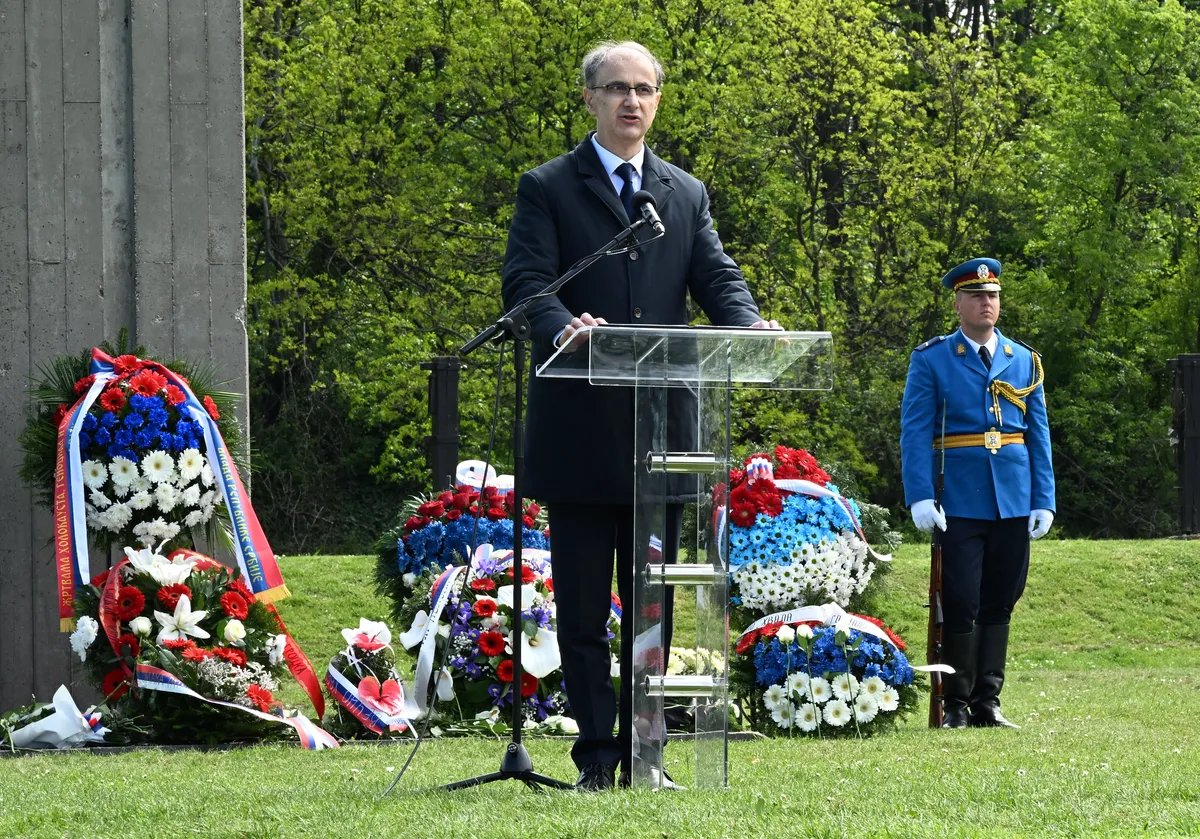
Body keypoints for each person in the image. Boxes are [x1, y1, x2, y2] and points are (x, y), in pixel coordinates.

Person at [501, 40, 779, 790]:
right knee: (587, 615)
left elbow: (716, 275)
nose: (632, 101)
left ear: (658, 100)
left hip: (665, 442)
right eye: (617, 88)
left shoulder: (683, 193)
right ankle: (598, 758)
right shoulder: (549, 186)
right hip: (581, 436)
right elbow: (527, 281)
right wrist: (561, 323)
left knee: (651, 612)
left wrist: (747, 323)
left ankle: (649, 758)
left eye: (644, 89)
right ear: (589, 99)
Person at [900, 257, 1055, 729]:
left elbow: (1038, 432)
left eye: (992, 296)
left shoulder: (1023, 359)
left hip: (1013, 493)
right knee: (962, 599)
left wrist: (1043, 497)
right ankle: (955, 704)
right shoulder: (933, 358)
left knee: (1001, 598)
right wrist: (920, 495)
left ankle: (988, 700)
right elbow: (915, 430)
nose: (986, 303)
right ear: (958, 303)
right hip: (960, 496)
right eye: (976, 296)